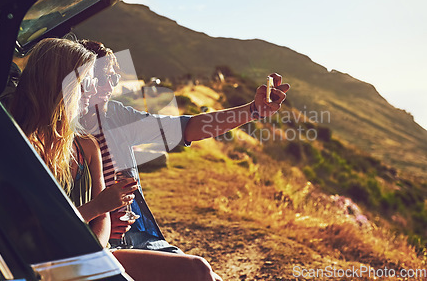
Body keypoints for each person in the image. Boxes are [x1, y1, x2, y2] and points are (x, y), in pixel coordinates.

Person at [8, 37, 222, 281]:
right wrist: (100, 208)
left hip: (98, 251)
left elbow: (185, 127)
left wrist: (98, 253)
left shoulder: (88, 143)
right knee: (198, 271)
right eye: (87, 81)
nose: (95, 89)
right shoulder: (22, 149)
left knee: (203, 271)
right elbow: (36, 232)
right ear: (58, 85)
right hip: (57, 261)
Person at [78, 40, 290, 252]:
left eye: (113, 78)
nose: (108, 86)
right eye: (100, 77)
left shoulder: (116, 115)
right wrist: (100, 227)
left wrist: (253, 110)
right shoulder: (59, 134)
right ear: (81, 80)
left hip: (135, 235)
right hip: (89, 242)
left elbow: (187, 128)